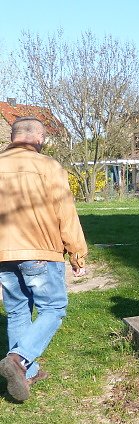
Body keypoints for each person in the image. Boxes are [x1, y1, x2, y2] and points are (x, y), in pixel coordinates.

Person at [0, 117, 88, 402]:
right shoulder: (48, 166)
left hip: (3, 254)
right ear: (37, 137)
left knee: (17, 311)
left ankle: (29, 371)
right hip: (40, 250)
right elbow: (65, 211)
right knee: (53, 308)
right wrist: (76, 252)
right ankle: (20, 358)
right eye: (43, 136)